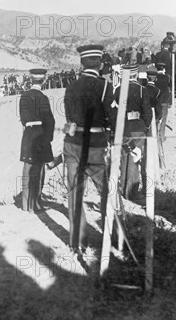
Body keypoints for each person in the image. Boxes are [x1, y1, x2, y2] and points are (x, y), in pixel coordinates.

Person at [63, 44, 115, 254]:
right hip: (95, 144)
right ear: (100, 63)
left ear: (82, 63)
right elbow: (112, 117)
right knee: (105, 191)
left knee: (74, 191)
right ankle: (112, 236)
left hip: (73, 143)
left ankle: (78, 241)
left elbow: (68, 117)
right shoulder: (104, 86)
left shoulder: (71, 87)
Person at [18, 69, 55, 213]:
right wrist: (48, 138)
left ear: (31, 80)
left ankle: (25, 205)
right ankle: (36, 204)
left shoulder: (24, 96)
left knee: (27, 168)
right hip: (40, 134)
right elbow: (49, 120)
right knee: (38, 169)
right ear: (44, 80)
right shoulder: (43, 98)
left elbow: (22, 119)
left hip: (27, 134)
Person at [115, 64, 152, 200]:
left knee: (125, 157)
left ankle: (124, 188)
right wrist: (146, 127)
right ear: (135, 75)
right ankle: (131, 192)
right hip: (137, 128)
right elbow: (147, 113)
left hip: (123, 128)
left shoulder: (118, 90)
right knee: (135, 158)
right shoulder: (142, 90)